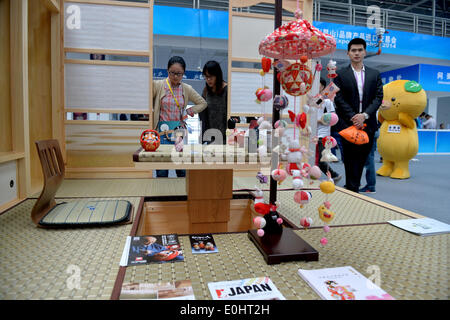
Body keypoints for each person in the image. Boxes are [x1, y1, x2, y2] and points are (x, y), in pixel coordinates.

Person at [333, 38, 383, 193]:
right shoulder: (339, 74)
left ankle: (353, 188)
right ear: (348, 53)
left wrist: (365, 116)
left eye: (360, 50)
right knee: (348, 159)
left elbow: (378, 97)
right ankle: (352, 188)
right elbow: (338, 98)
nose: (357, 53)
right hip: (348, 124)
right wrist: (355, 117)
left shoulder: (374, 74)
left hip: (367, 125)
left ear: (365, 52)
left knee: (362, 160)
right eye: (353, 50)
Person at [152, 56, 207, 177]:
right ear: (167, 71)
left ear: (183, 74)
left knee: (182, 169)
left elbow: (203, 103)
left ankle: (182, 194)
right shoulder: (157, 85)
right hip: (161, 133)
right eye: (172, 73)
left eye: (179, 74)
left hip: (179, 134)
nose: (175, 76)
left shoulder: (186, 89)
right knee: (161, 169)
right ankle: (160, 195)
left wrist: (189, 111)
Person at [316, 78, 342, 183]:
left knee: (321, 159)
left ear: (322, 86)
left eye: (318, 84)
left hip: (322, 134)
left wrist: (320, 120)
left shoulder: (327, 101)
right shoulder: (311, 100)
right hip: (310, 133)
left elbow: (333, 118)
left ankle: (334, 176)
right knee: (313, 158)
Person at [199, 61, 228, 144]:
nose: (208, 80)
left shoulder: (227, 90)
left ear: (217, 75)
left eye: (211, 76)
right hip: (210, 137)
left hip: (225, 137)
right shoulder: (206, 91)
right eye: (206, 76)